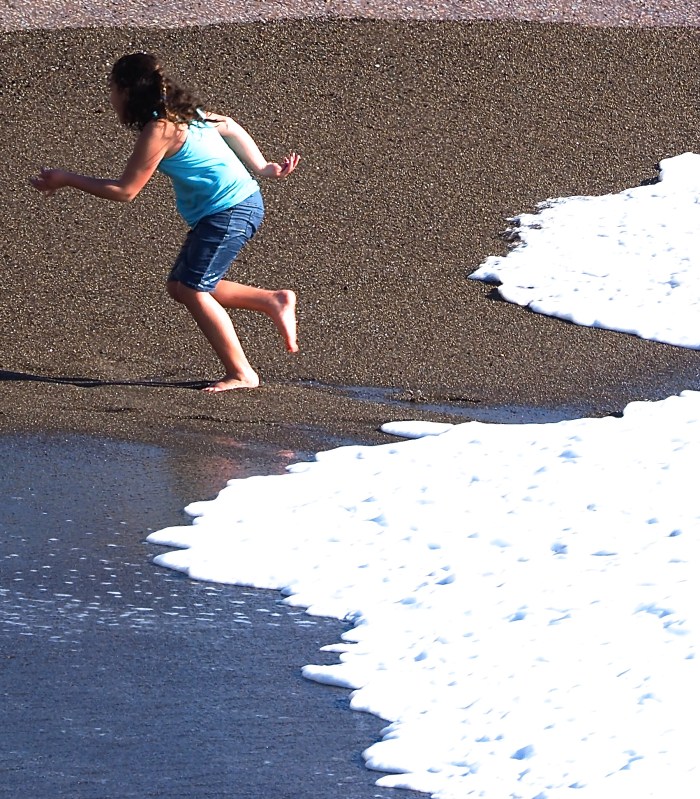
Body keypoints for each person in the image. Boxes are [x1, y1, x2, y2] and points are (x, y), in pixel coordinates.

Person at [30, 51, 300, 393]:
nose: (110, 97)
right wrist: (261, 167)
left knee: (192, 288)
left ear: (128, 92)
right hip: (233, 206)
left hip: (230, 210)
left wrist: (66, 178)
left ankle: (242, 373)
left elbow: (125, 191)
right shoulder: (184, 113)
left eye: (112, 88)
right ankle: (272, 301)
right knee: (182, 286)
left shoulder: (160, 129)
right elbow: (229, 125)